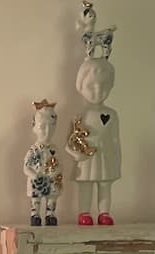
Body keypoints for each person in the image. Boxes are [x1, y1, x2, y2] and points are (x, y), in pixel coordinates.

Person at [66, 56, 121, 226]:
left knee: (105, 185)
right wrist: (75, 154)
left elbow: (115, 139)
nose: (98, 91)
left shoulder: (112, 114)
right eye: (91, 86)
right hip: (86, 158)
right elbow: (69, 141)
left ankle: (104, 213)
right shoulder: (80, 115)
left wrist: (118, 160)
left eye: (104, 85)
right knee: (86, 185)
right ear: (80, 87)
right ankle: (84, 212)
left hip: (105, 156)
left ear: (110, 86)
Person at [24, 99, 63, 226]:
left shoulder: (54, 149)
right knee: (36, 197)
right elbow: (26, 166)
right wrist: (33, 175)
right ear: (34, 127)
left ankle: (50, 214)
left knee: (52, 197)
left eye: (51, 126)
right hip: (38, 179)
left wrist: (56, 171)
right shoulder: (33, 150)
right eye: (42, 127)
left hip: (51, 179)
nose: (47, 131)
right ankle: (35, 214)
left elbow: (59, 164)